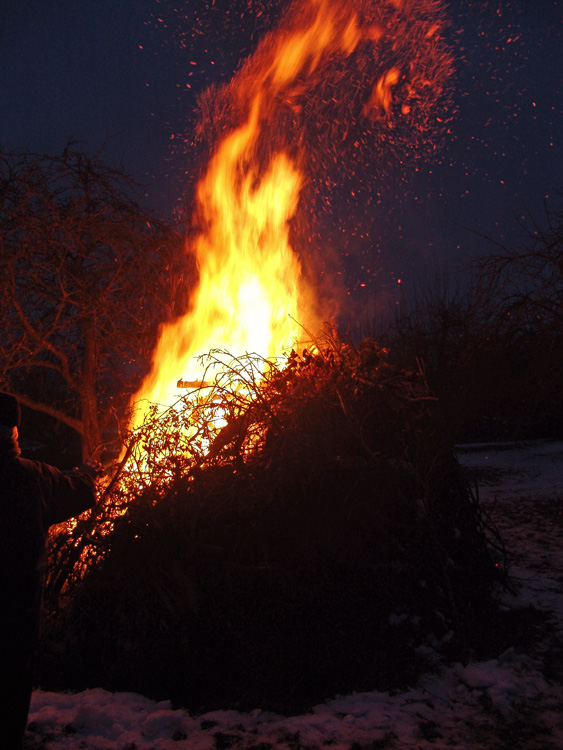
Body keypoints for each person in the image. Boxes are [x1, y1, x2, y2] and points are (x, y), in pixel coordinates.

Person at [0, 392, 103, 749]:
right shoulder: (32, 478)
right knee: (13, 680)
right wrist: (87, 476)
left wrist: (76, 476)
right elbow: (78, 492)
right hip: (18, 610)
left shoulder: (36, 477)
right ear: (12, 432)